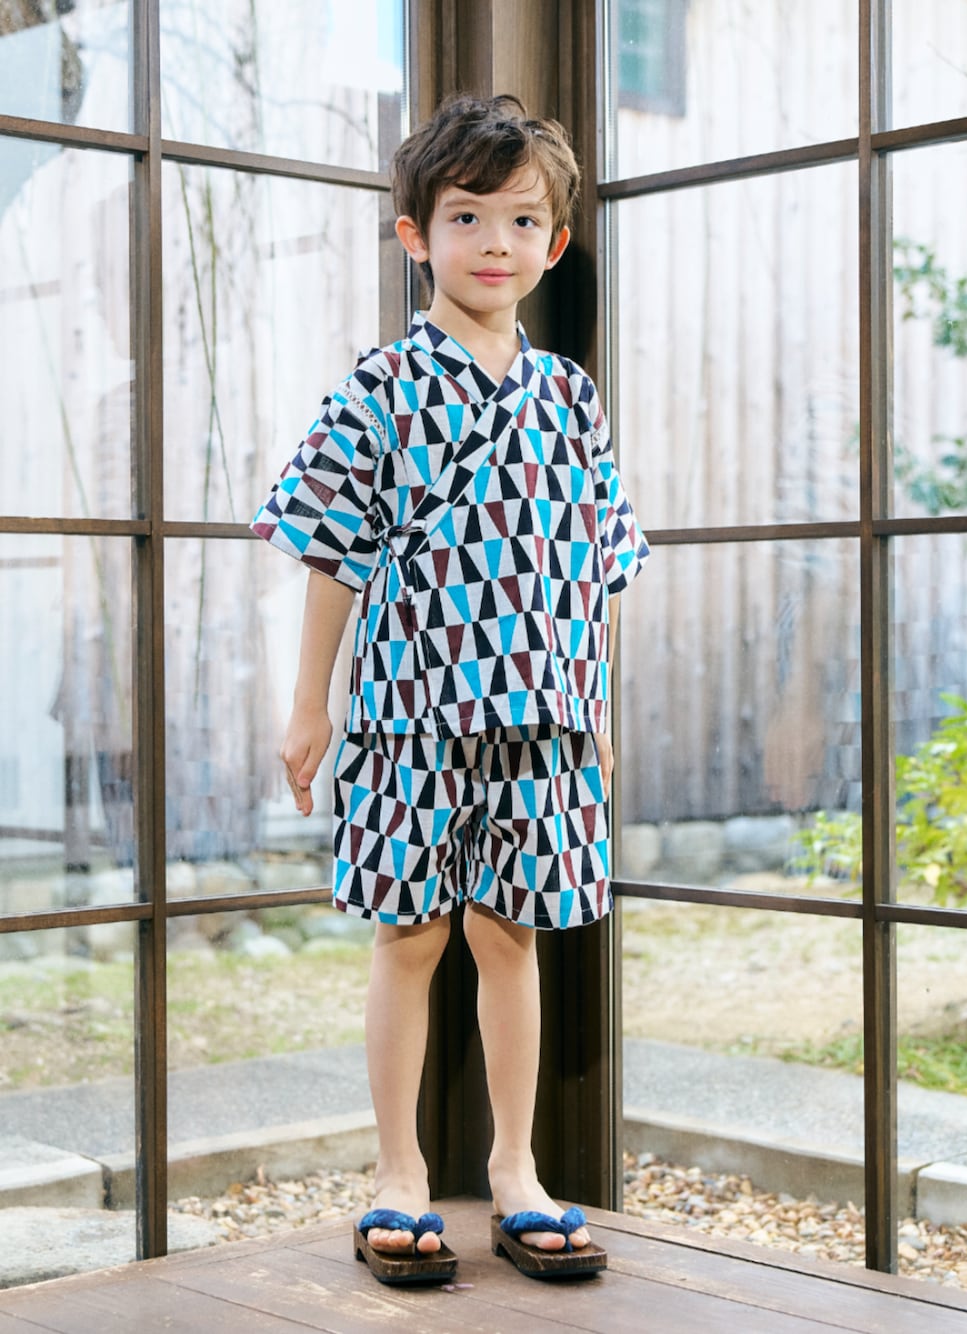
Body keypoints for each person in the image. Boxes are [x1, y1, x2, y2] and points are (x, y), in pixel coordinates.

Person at [251, 93, 648, 1284]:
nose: (494, 241)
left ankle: (517, 1169)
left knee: (510, 931)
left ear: (553, 244)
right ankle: (398, 1172)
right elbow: (331, 553)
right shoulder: (379, 385)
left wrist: (598, 709)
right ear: (415, 233)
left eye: (521, 220)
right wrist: (311, 703)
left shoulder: (570, 396)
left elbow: (601, 565)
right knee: (411, 932)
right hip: (413, 708)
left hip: (543, 712)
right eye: (466, 215)